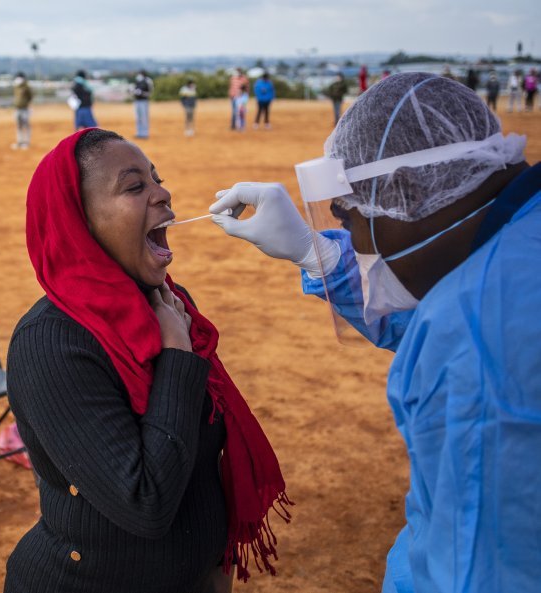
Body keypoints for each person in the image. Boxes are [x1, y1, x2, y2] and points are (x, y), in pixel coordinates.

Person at [208, 72, 541, 593]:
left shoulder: (477, 339)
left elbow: (477, 570)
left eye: (352, 218)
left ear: (405, 193)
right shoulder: (518, 246)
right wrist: (314, 254)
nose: (357, 242)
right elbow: (426, 313)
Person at [5, 127, 291, 593]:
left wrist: (212, 565)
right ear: (81, 222)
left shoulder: (168, 303)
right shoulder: (51, 345)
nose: (163, 193)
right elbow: (145, 503)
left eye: (156, 179)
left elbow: (198, 459)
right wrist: (177, 359)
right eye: (135, 186)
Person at [12, 72, 32, 150]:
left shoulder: (26, 87)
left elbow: (30, 97)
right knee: (18, 126)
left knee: (26, 126)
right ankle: (19, 142)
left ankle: (26, 142)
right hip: (17, 109)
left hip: (24, 109)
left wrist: (26, 103)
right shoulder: (16, 86)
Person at [132, 69, 154, 139]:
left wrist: (142, 93)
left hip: (144, 101)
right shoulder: (137, 81)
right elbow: (134, 89)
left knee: (144, 117)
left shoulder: (148, 81)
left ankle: (145, 133)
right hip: (137, 101)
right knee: (138, 118)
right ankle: (139, 132)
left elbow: (150, 92)